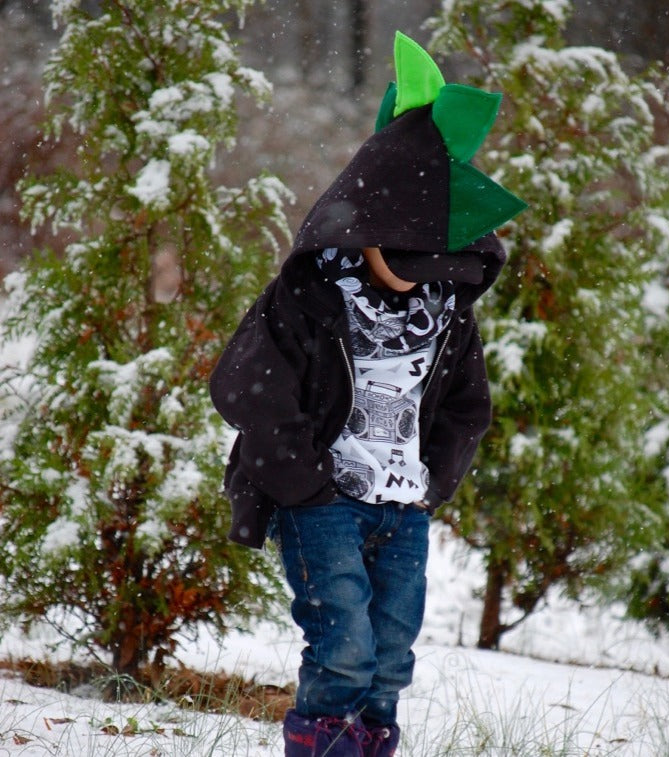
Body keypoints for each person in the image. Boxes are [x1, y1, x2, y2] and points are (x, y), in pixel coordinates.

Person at [209, 31, 526, 757]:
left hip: (403, 506)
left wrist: (431, 484)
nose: (422, 266)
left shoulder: (448, 313)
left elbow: (466, 406)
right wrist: (304, 483)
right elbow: (245, 386)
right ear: (362, 227)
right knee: (343, 645)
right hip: (322, 501)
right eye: (403, 244)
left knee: (388, 659)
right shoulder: (310, 296)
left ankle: (369, 743)